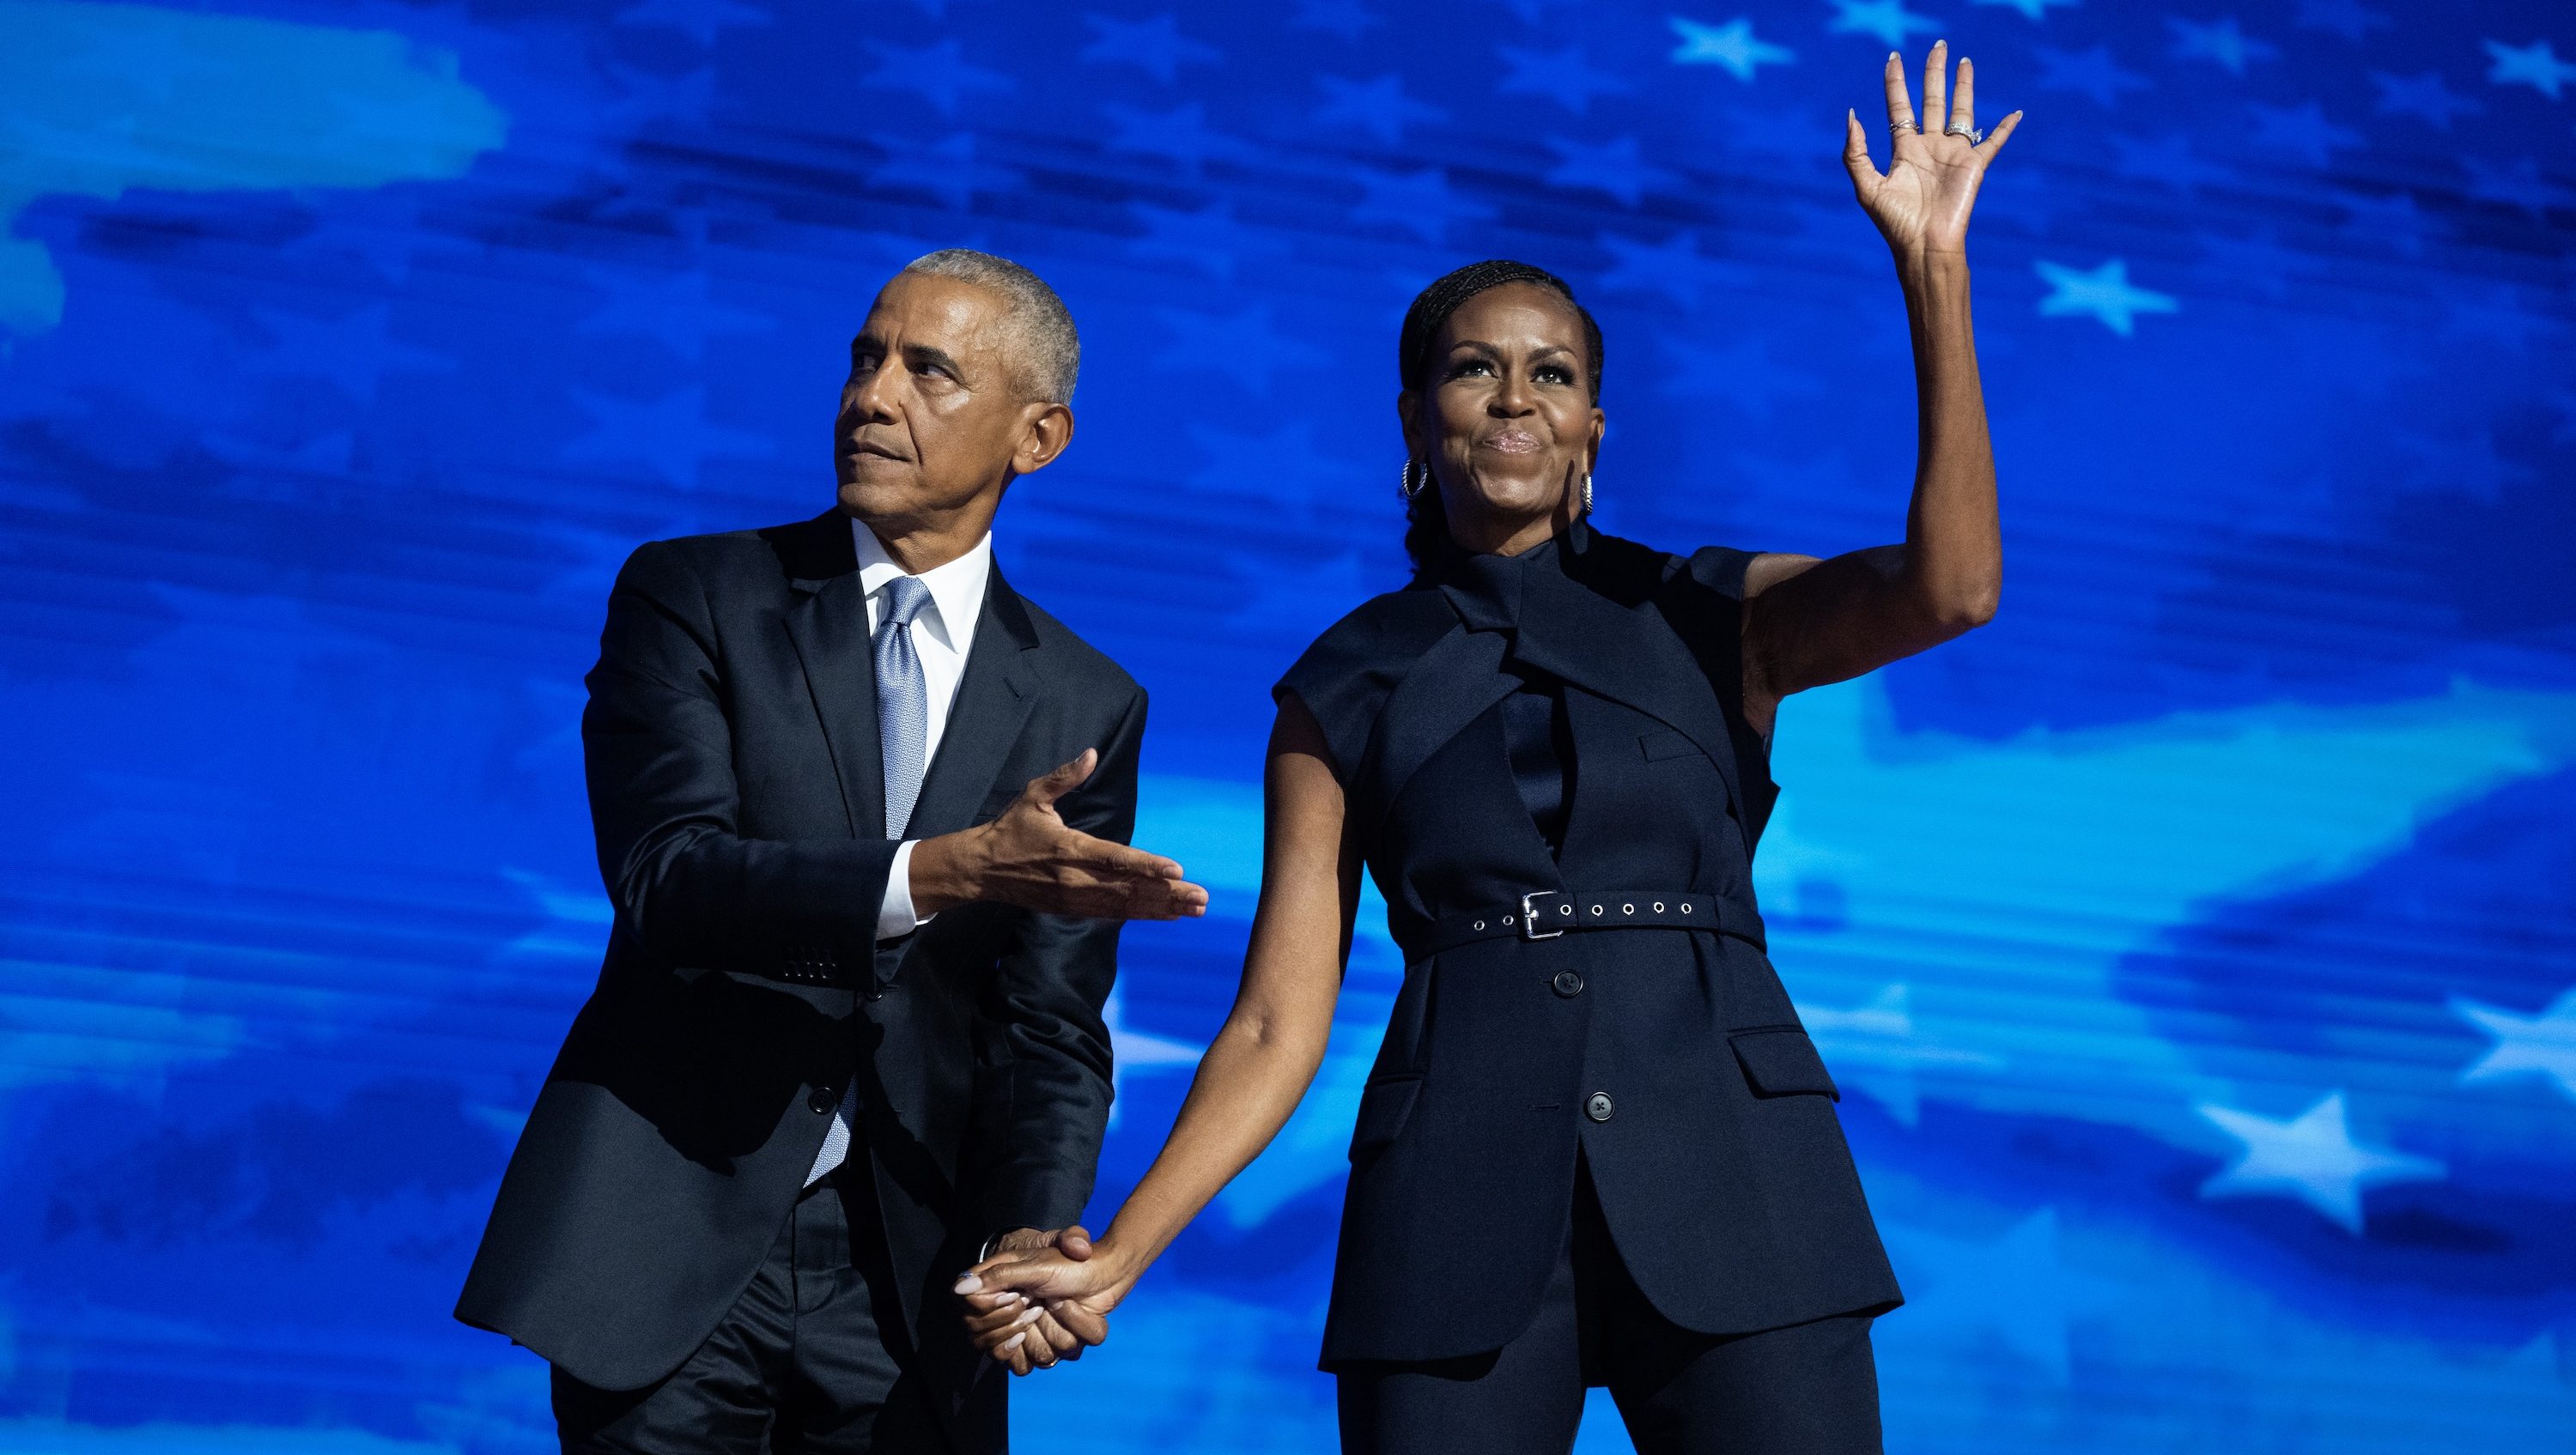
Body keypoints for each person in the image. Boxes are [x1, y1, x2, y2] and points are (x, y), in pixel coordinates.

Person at [957, 47, 2020, 1454]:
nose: (1515, 397)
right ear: (1417, 419)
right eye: (1475, 369)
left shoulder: (1709, 615)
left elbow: (1953, 588)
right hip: (1450, 1216)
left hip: (1742, 1188)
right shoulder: (1342, 683)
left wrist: (1932, 271)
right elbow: (1280, 1019)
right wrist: (1124, 1251)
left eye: (1553, 374)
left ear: (1593, 428)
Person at [454, 248, 1207, 1454]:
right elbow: (670, 879)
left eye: (931, 372)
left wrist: (1028, 1227)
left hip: (913, 1285)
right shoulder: (697, 593)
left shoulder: (1086, 701)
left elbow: (1052, 1025)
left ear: (1038, 437)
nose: (874, 396)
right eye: (866, 359)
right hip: (673, 1244)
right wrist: (945, 871)